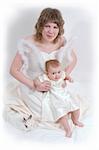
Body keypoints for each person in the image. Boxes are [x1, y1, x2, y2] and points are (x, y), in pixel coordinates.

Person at [4, 8, 84, 136]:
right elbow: (14, 70)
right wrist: (34, 85)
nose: (51, 31)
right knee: (45, 110)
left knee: (69, 102)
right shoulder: (28, 42)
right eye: (47, 26)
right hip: (33, 84)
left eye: (55, 27)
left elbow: (73, 59)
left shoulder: (61, 40)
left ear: (59, 29)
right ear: (40, 26)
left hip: (54, 83)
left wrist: (64, 76)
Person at [34, 59, 83, 137]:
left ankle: (75, 120)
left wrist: (69, 78)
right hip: (55, 98)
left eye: (58, 72)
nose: (57, 75)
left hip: (65, 96)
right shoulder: (46, 78)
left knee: (76, 108)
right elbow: (36, 80)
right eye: (53, 73)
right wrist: (40, 84)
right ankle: (68, 129)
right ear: (47, 73)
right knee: (62, 115)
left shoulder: (62, 74)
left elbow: (65, 75)